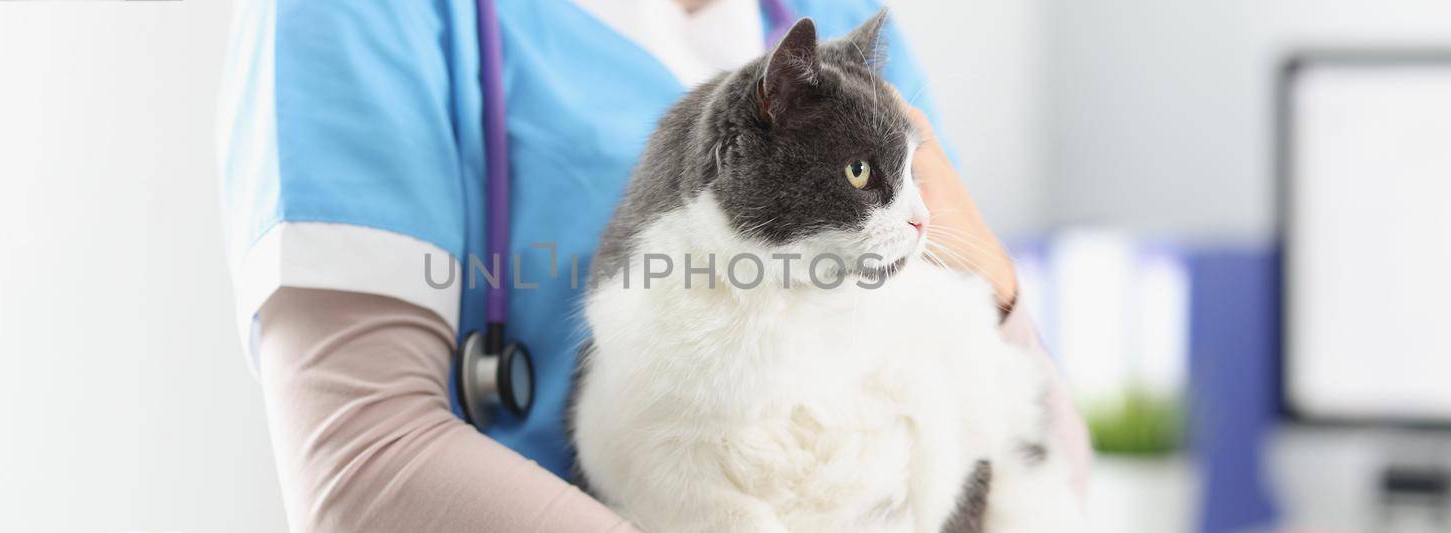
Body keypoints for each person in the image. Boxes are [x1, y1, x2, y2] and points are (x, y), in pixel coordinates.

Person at [218, 0, 1090, 531]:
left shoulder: (842, 32)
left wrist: (998, 289)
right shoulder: (359, 13)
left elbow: (1051, 458)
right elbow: (364, 469)